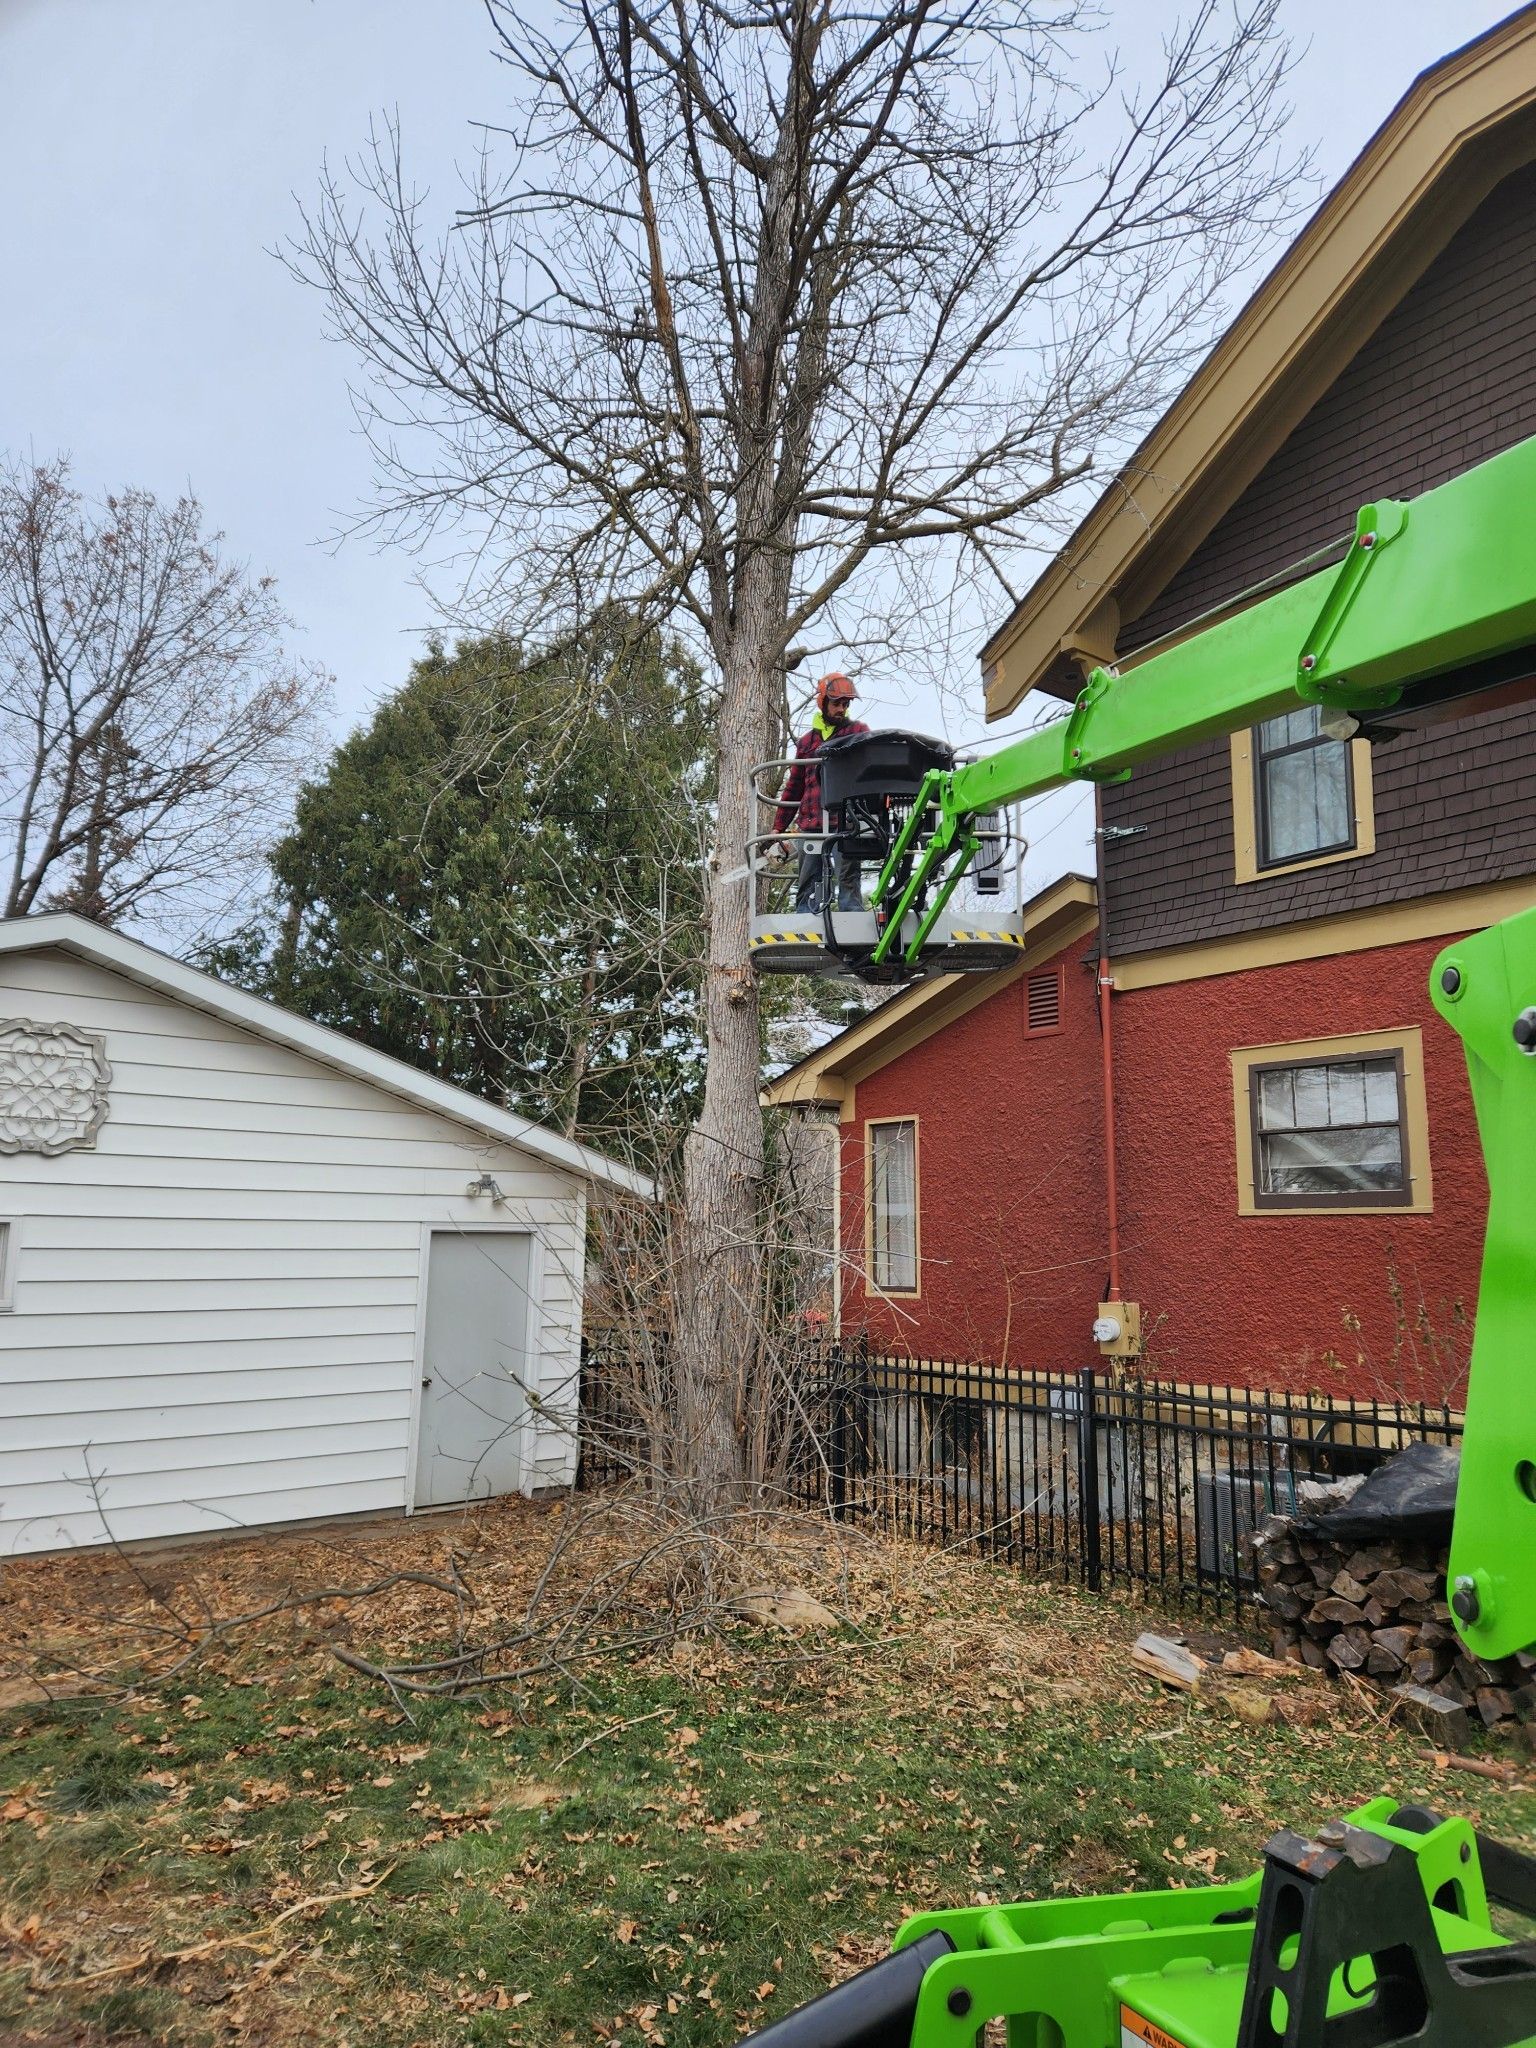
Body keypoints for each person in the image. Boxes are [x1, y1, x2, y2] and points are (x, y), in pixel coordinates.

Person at [772, 672, 870, 912]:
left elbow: (870, 772)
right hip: (811, 822)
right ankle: (806, 920)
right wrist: (778, 828)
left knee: (848, 880)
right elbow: (794, 787)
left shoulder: (858, 732)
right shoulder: (807, 742)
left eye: (845, 704)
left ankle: (853, 927)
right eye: (836, 703)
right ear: (823, 702)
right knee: (808, 881)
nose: (841, 709)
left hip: (846, 822)